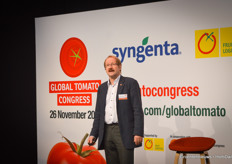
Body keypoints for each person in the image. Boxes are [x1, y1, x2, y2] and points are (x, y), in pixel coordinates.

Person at [88, 55, 144, 164]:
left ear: (120, 67)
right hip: (107, 131)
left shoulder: (130, 83)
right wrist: (93, 134)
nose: (110, 67)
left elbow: (137, 110)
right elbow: (98, 113)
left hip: (124, 131)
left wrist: (138, 132)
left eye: (113, 64)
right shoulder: (102, 88)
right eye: (107, 65)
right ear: (105, 69)